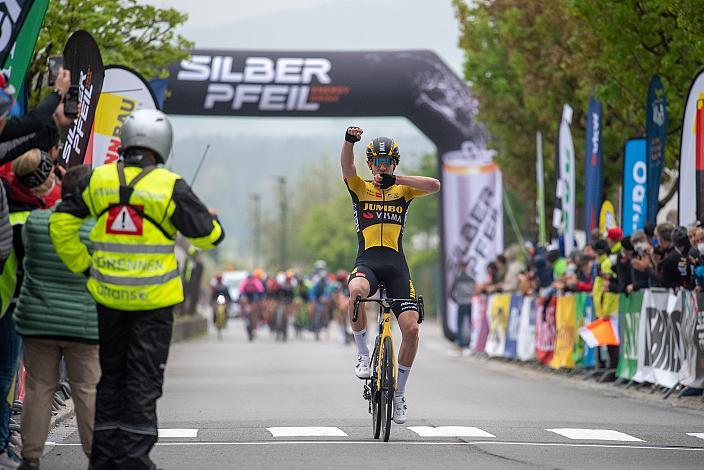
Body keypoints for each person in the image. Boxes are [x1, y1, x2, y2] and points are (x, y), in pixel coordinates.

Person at [49, 109, 225, 470]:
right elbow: (209, 236)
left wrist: (85, 265)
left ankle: (104, 459)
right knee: (143, 381)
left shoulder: (98, 181)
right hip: (153, 304)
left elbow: (61, 222)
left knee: (111, 377)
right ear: (162, 145)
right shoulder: (168, 184)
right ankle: (134, 460)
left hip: (108, 299)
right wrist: (211, 218)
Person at [341, 126, 440, 424]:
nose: (382, 167)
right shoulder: (360, 187)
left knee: (411, 329)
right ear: (370, 165)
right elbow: (346, 166)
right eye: (377, 162)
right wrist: (349, 142)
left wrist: (398, 180)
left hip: (397, 267)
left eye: (388, 162)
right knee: (356, 289)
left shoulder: (403, 190)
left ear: (394, 164)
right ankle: (362, 353)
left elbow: (434, 184)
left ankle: (399, 394)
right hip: (368, 262)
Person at [13, 165, 98, 470]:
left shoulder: (35, 223)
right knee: (86, 390)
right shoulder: (96, 230)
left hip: (38, 321)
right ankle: (96, 456)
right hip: (84, 324)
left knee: (39, 388)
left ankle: (31, 457)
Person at [0, 148, 62, 470]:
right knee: (8, 376)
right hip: (16, 305)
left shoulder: (8, 195)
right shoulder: (34, 220)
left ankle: (14, 448)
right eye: (51, 177)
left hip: (13, 301)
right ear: (41, 183)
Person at [450, 260, 474, 349]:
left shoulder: (457, 279)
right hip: (470, 303)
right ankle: (471, 342)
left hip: (462, 303)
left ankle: (460, 342)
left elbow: (451, 292)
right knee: (470, 323)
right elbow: (474, 290)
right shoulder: (471, 279)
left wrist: (456, 300)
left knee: (460, 324)